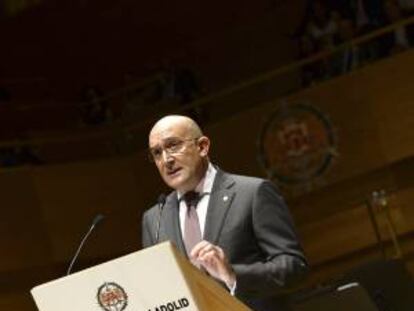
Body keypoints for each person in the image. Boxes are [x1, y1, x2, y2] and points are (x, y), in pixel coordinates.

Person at [142, 115, 308, 311]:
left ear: (202, 146)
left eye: (173, 145)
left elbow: (294, 267)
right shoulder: (154, 218)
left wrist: (233, 275)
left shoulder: (252, 193)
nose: (166, 160)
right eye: (157, 153)